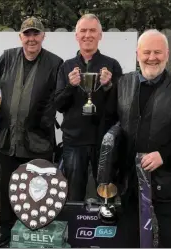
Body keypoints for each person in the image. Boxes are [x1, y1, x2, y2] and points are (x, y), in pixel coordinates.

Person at [105, 29, 171, 247]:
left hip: (167, 177)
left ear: (167, 54)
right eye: (147, 52)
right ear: (137, 53)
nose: (152, 58)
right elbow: (112, 128)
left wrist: (164, 155)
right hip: (129, 179)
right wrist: (111, 172)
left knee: (170, 237)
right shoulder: (122, 84)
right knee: (132, 237)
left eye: (158, 52)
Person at [0, 16, 63, 247]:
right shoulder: (7, 57)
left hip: (39, 140)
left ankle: (35, 234)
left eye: (36, 34)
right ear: (20, 37)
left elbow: (64, 97)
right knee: (9, 190)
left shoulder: (56, 63)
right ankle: (6, 233)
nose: (31, 39)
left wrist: (48, 114)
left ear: (43, 36)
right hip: (9, 138)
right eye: (27, 34)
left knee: (39, 191)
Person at [54, 13, 123, 201]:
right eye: (83, 31)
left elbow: (121, 106)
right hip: (74, 140)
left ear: (100, 35)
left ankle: (106, 229)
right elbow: (59, 105)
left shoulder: (112, 66)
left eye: (92, 30)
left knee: (106, 194)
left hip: (105, 140)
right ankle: (75, 229)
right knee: (73, 194)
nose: (87, 35)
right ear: (76, 36)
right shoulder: (66, 66)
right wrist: (70, 86)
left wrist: (109, 86)